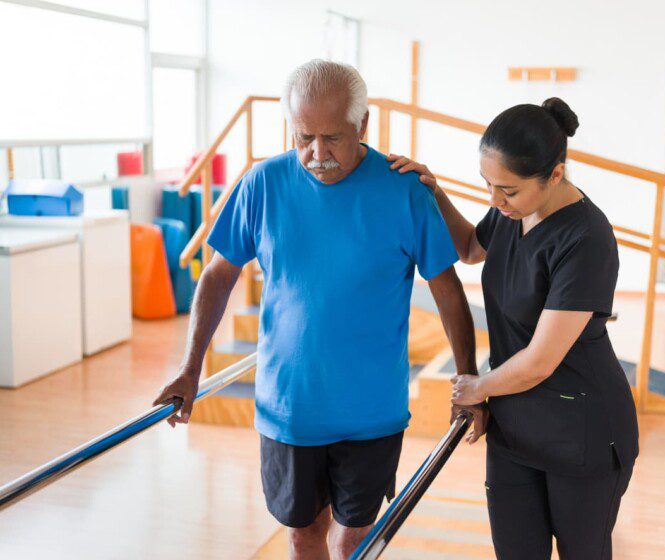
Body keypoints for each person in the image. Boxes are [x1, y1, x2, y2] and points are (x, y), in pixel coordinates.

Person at [153, 59, 486, 560]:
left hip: (371, 412)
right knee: (303, 535)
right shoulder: (262, 184)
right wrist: (189, 367)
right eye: (303, 136)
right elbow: (220, 274)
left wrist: (468, 379)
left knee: (355, 539)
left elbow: (448, 291)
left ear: (364, 125)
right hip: (290, 409)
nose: (316, 153)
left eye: (332, 138)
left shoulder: (403, 190)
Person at [387, 97, 639, 560]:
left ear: (556, 175)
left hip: (581, 430)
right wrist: (432, 190)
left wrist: (477, 387)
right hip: (516, 428)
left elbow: (541, 360)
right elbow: (467, 247)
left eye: (507, 190)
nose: (494, 200)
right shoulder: (512, 213)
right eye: (488, 185)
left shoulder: (586, 238)